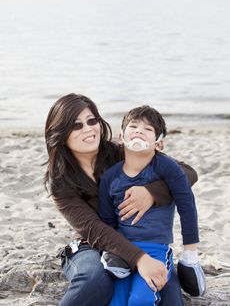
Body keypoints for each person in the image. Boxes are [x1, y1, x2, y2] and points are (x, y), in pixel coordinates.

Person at [44, 93, 198, 306]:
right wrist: (140, 260)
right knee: (94, 279)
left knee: (167, 291)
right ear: (61, 133)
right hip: (91, 243)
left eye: (92, 121)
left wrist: (151, 192)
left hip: (139, 238)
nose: (88, 129)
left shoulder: (120, 152)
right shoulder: (60, 181)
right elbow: (94, 228)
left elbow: (188, 173)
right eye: (77, 125)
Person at [99, 105, 201, 305]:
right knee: (117, 300)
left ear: (159, 143)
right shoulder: (110, 176)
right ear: (121, 137)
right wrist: (110, 251)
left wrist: (190, 252)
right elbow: (107, 220)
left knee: (141, 299)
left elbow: (187, 206)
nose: (139, 131)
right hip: (122, 250)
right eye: (134, 126)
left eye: (148, 129)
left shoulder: (168, 168)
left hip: (155, 249)